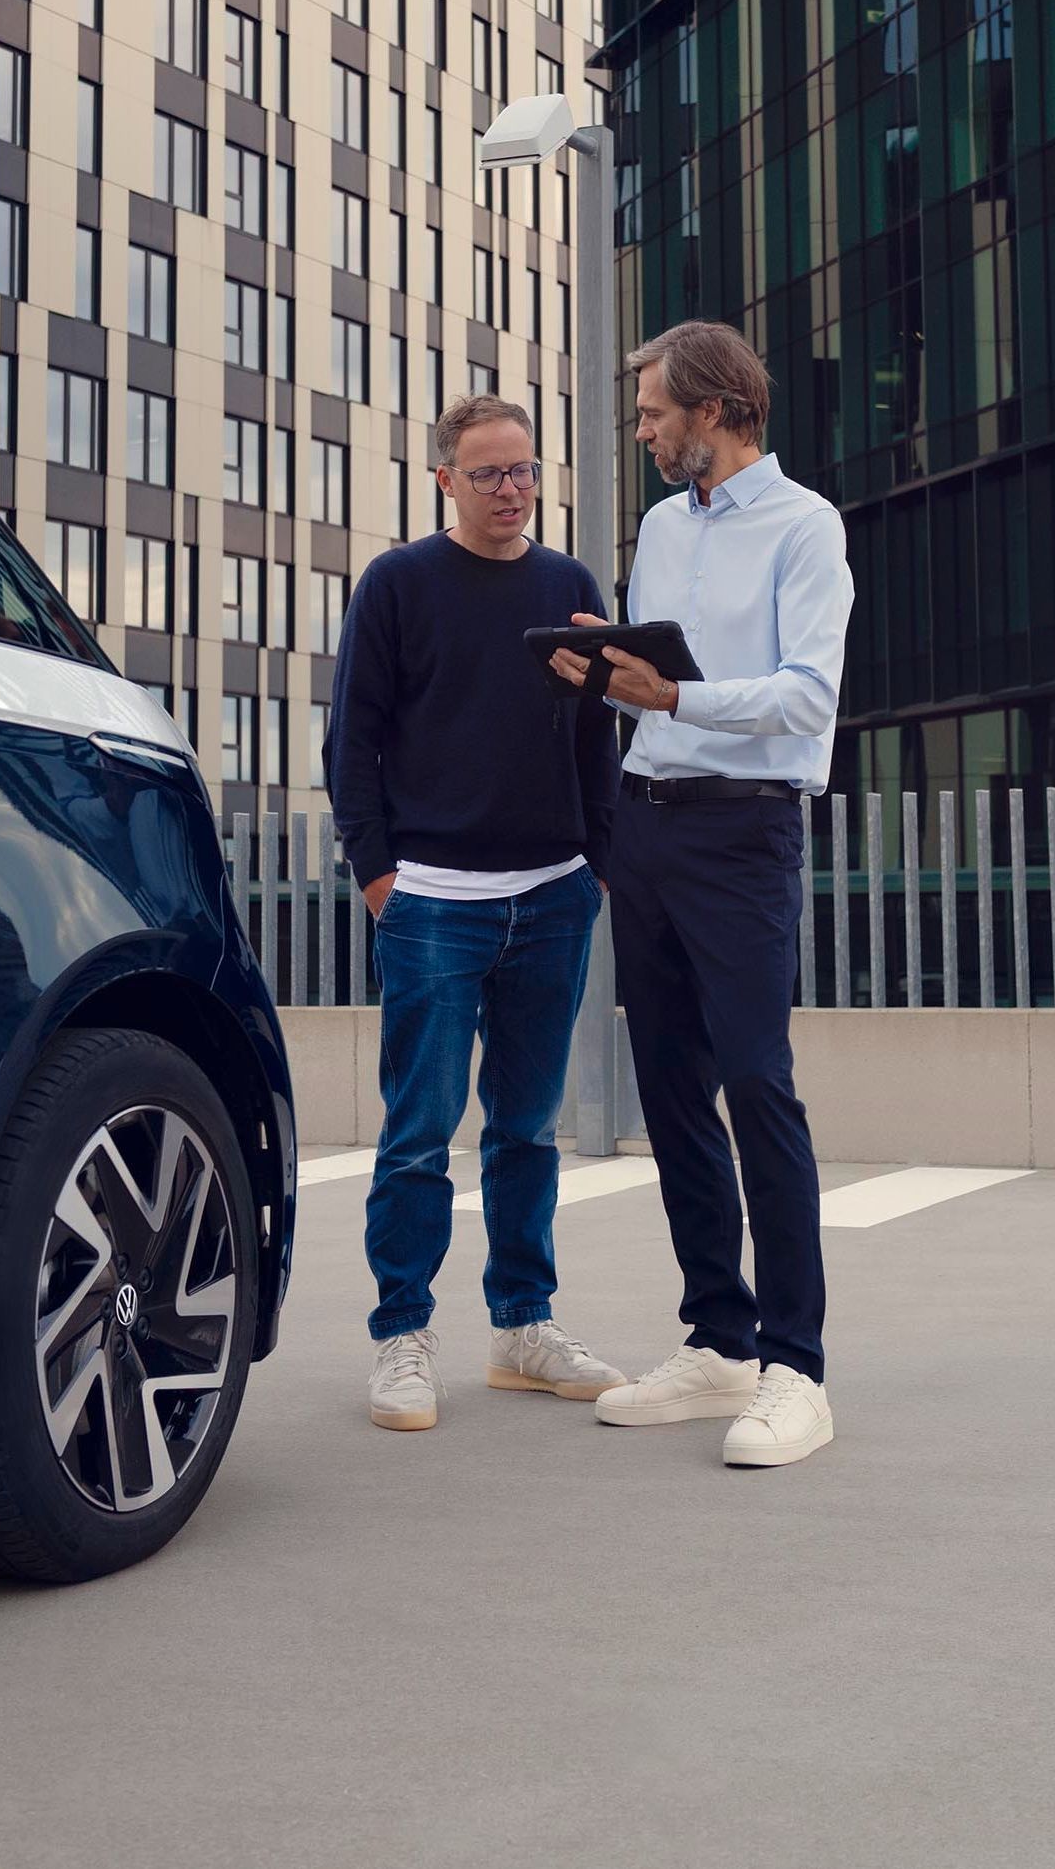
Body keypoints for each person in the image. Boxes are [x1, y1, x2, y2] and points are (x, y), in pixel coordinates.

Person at [551, 321, 853, 1469]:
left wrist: (672, 698)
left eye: (653, 412)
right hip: (649, 824)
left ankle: (796, 1368)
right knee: (670, 1091)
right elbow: (654, 688)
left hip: (743, 834)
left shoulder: (806, 526)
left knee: (756, 1085)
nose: (640, 430)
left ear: (715, 410)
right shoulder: (665, 528)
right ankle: (719, 1340)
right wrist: (604, 673)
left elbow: (805, 697)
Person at [326, 394, 626, 1432]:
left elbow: (595, 737)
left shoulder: (569, 586)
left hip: (552, 895)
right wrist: (379, 875)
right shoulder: (398, 583)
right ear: (445, 479)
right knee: (418, 1133)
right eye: (490, 473)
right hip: (432, 902)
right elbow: (353, 738)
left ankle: (522, 1328)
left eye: (525, 470)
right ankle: (402, 1335)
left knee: (527, 1130)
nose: (512, 489)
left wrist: (596, 865)